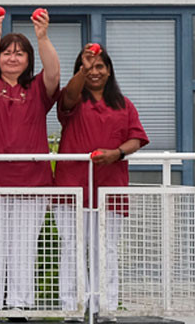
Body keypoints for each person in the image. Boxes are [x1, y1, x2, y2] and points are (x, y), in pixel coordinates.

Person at [0, 7, 63, 315]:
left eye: (20, 54)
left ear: (28, 60)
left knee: (23, 250)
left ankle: (19, 307)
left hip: (30, 184)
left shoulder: (37, 90)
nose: (12, 58)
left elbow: (54, 73)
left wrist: (42, 36)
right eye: (7, 53)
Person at [55, 44, 147, 319]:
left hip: (110, 188)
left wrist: (117, 153)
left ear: (109, 71)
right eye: (88, 67)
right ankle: (71, 308)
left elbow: (136, 138)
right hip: (72, 185)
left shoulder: (124, 104)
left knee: (105, 249)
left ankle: (104, 308)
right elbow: (69, 96)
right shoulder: (71, 99)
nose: (94, 72)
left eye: (100, 66)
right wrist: (83, 67)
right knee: (71, 247)